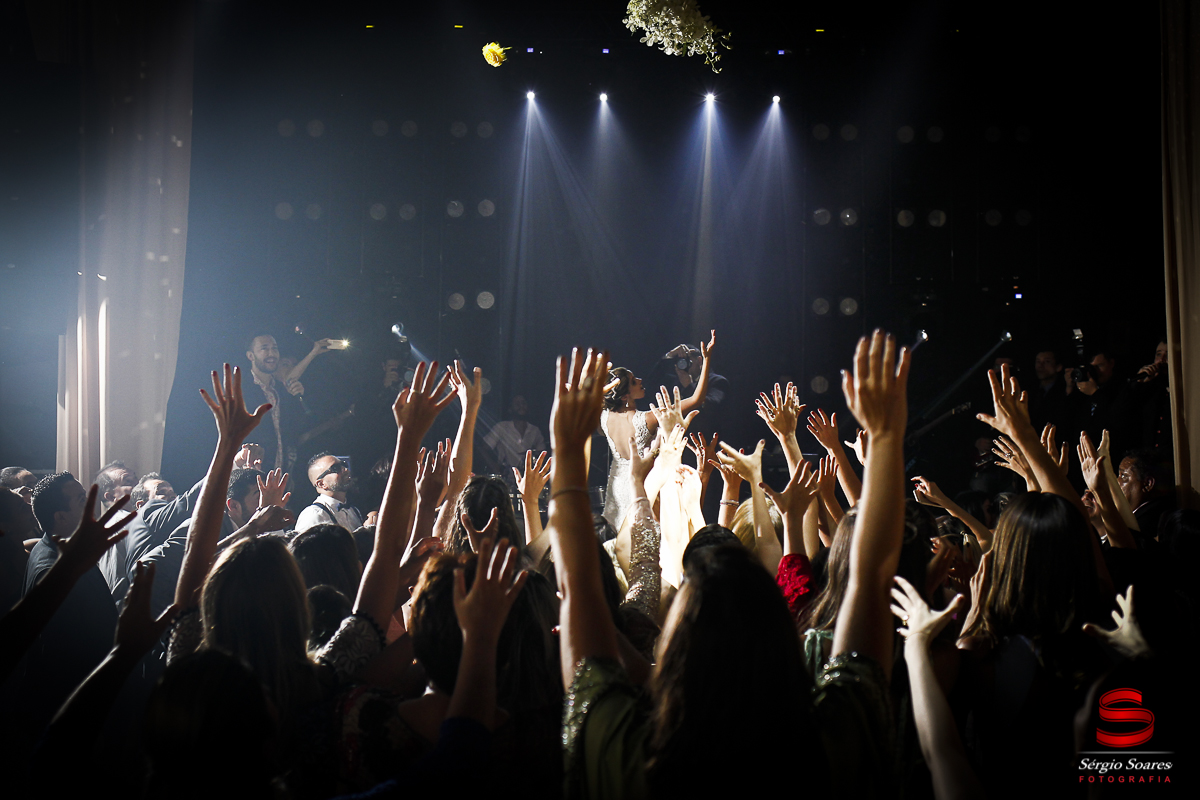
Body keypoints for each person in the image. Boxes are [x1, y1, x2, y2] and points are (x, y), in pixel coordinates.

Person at [600, 330, 715, 532]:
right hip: (645, 485)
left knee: (618, 538)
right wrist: (706, 361)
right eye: (635, 381)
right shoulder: (648, 418)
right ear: (626, 395)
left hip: (617, 487)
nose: (641, 380)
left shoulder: (603, 418)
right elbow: (697, 399)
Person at [244, 334, 303, 472]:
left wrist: (296, 398)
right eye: (264, 349)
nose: (272, 354)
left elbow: (296, 429)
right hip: (250, 474)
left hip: (279, 473)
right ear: (251, 356)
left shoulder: (280, 391)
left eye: (275, 349)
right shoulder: (242, 388)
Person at [296, 452, 363, 533]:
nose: (345, 469)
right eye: (336, 468)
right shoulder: (314, 515)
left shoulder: (354, 511)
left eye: (344, 465)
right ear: (321, 484)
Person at [483, 395, 546, 478]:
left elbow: (542, 454)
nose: (521, 406)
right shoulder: (502, 427)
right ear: (510, 409)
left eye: (523, 403)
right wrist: (494, 466)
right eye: (517, 404)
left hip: (527, 479)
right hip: (506, 478)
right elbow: (484, 448)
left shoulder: (535, 430)